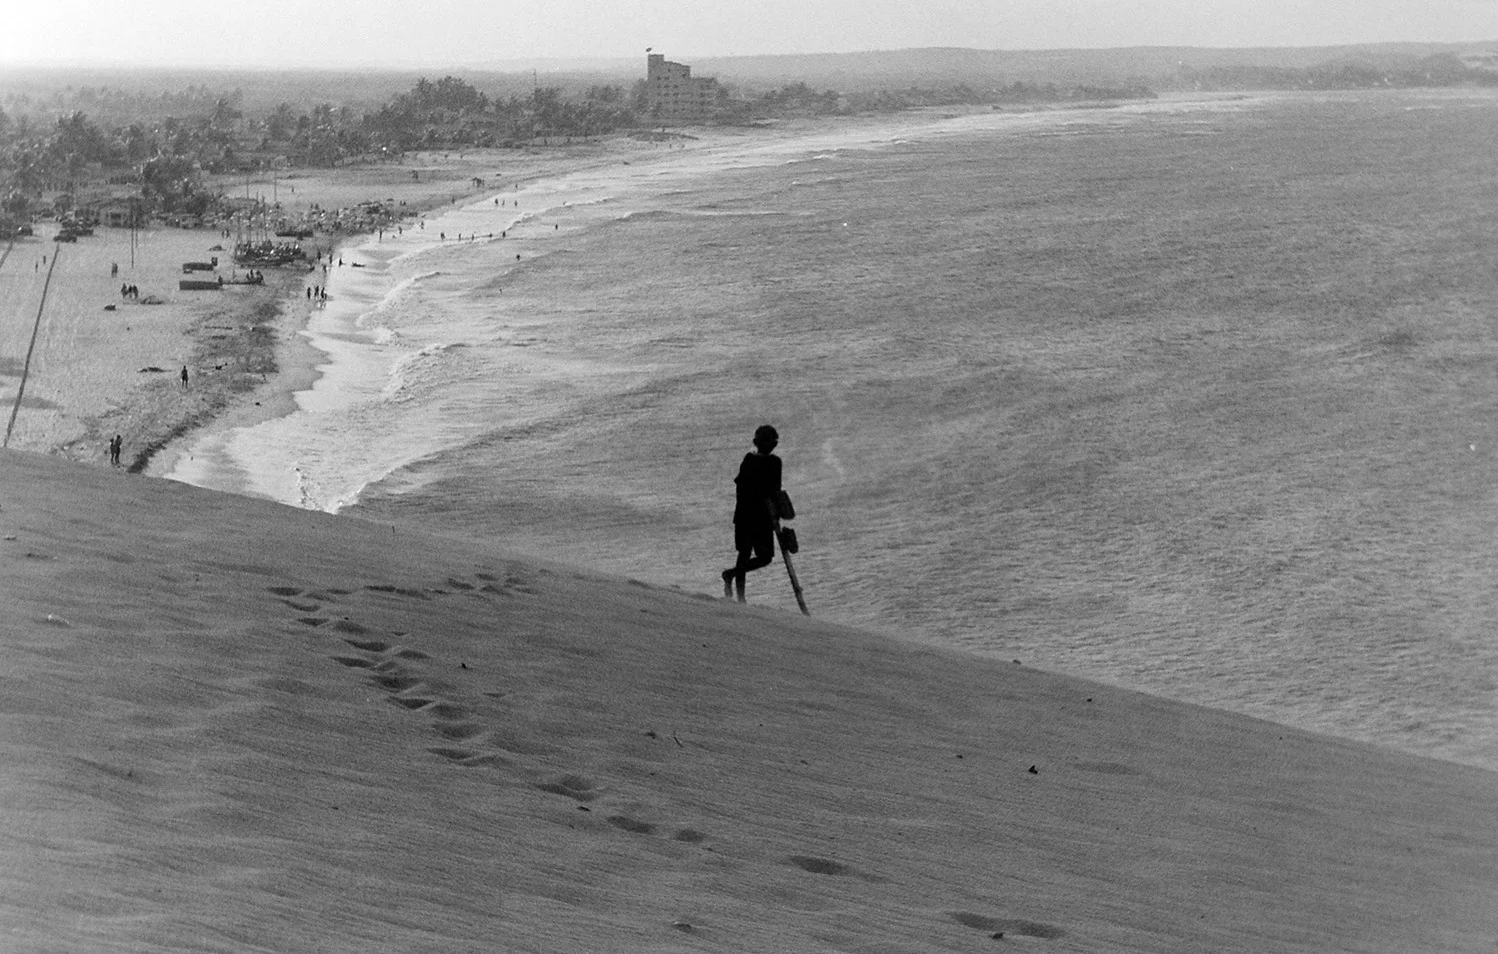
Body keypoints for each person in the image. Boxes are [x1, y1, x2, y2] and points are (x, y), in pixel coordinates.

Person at [721, 425, 783, 602]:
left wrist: (776, 516)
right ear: (757, 442)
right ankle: (741, 597)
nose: (769, 445)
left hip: (763, 517)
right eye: (766, 441)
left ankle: (730, 574)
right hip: (747, 515)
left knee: (765, 557)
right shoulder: (749, 460)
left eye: (771, 441)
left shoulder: (775, 462)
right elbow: (741, 487)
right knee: (744, 553)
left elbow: (776, 492)